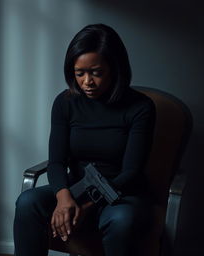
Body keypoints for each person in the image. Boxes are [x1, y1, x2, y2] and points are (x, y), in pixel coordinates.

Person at [13, 23, 156, 256]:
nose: (87, 82)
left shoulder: (140, 107)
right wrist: (63, 197)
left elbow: (132, 172)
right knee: (28, 202)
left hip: (122, 194)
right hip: (76, 187)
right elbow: (57, 161)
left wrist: (88, 206)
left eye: (96, 72)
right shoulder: (65, 102)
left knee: (121, 220)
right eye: (79, 73)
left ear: (115, 69)